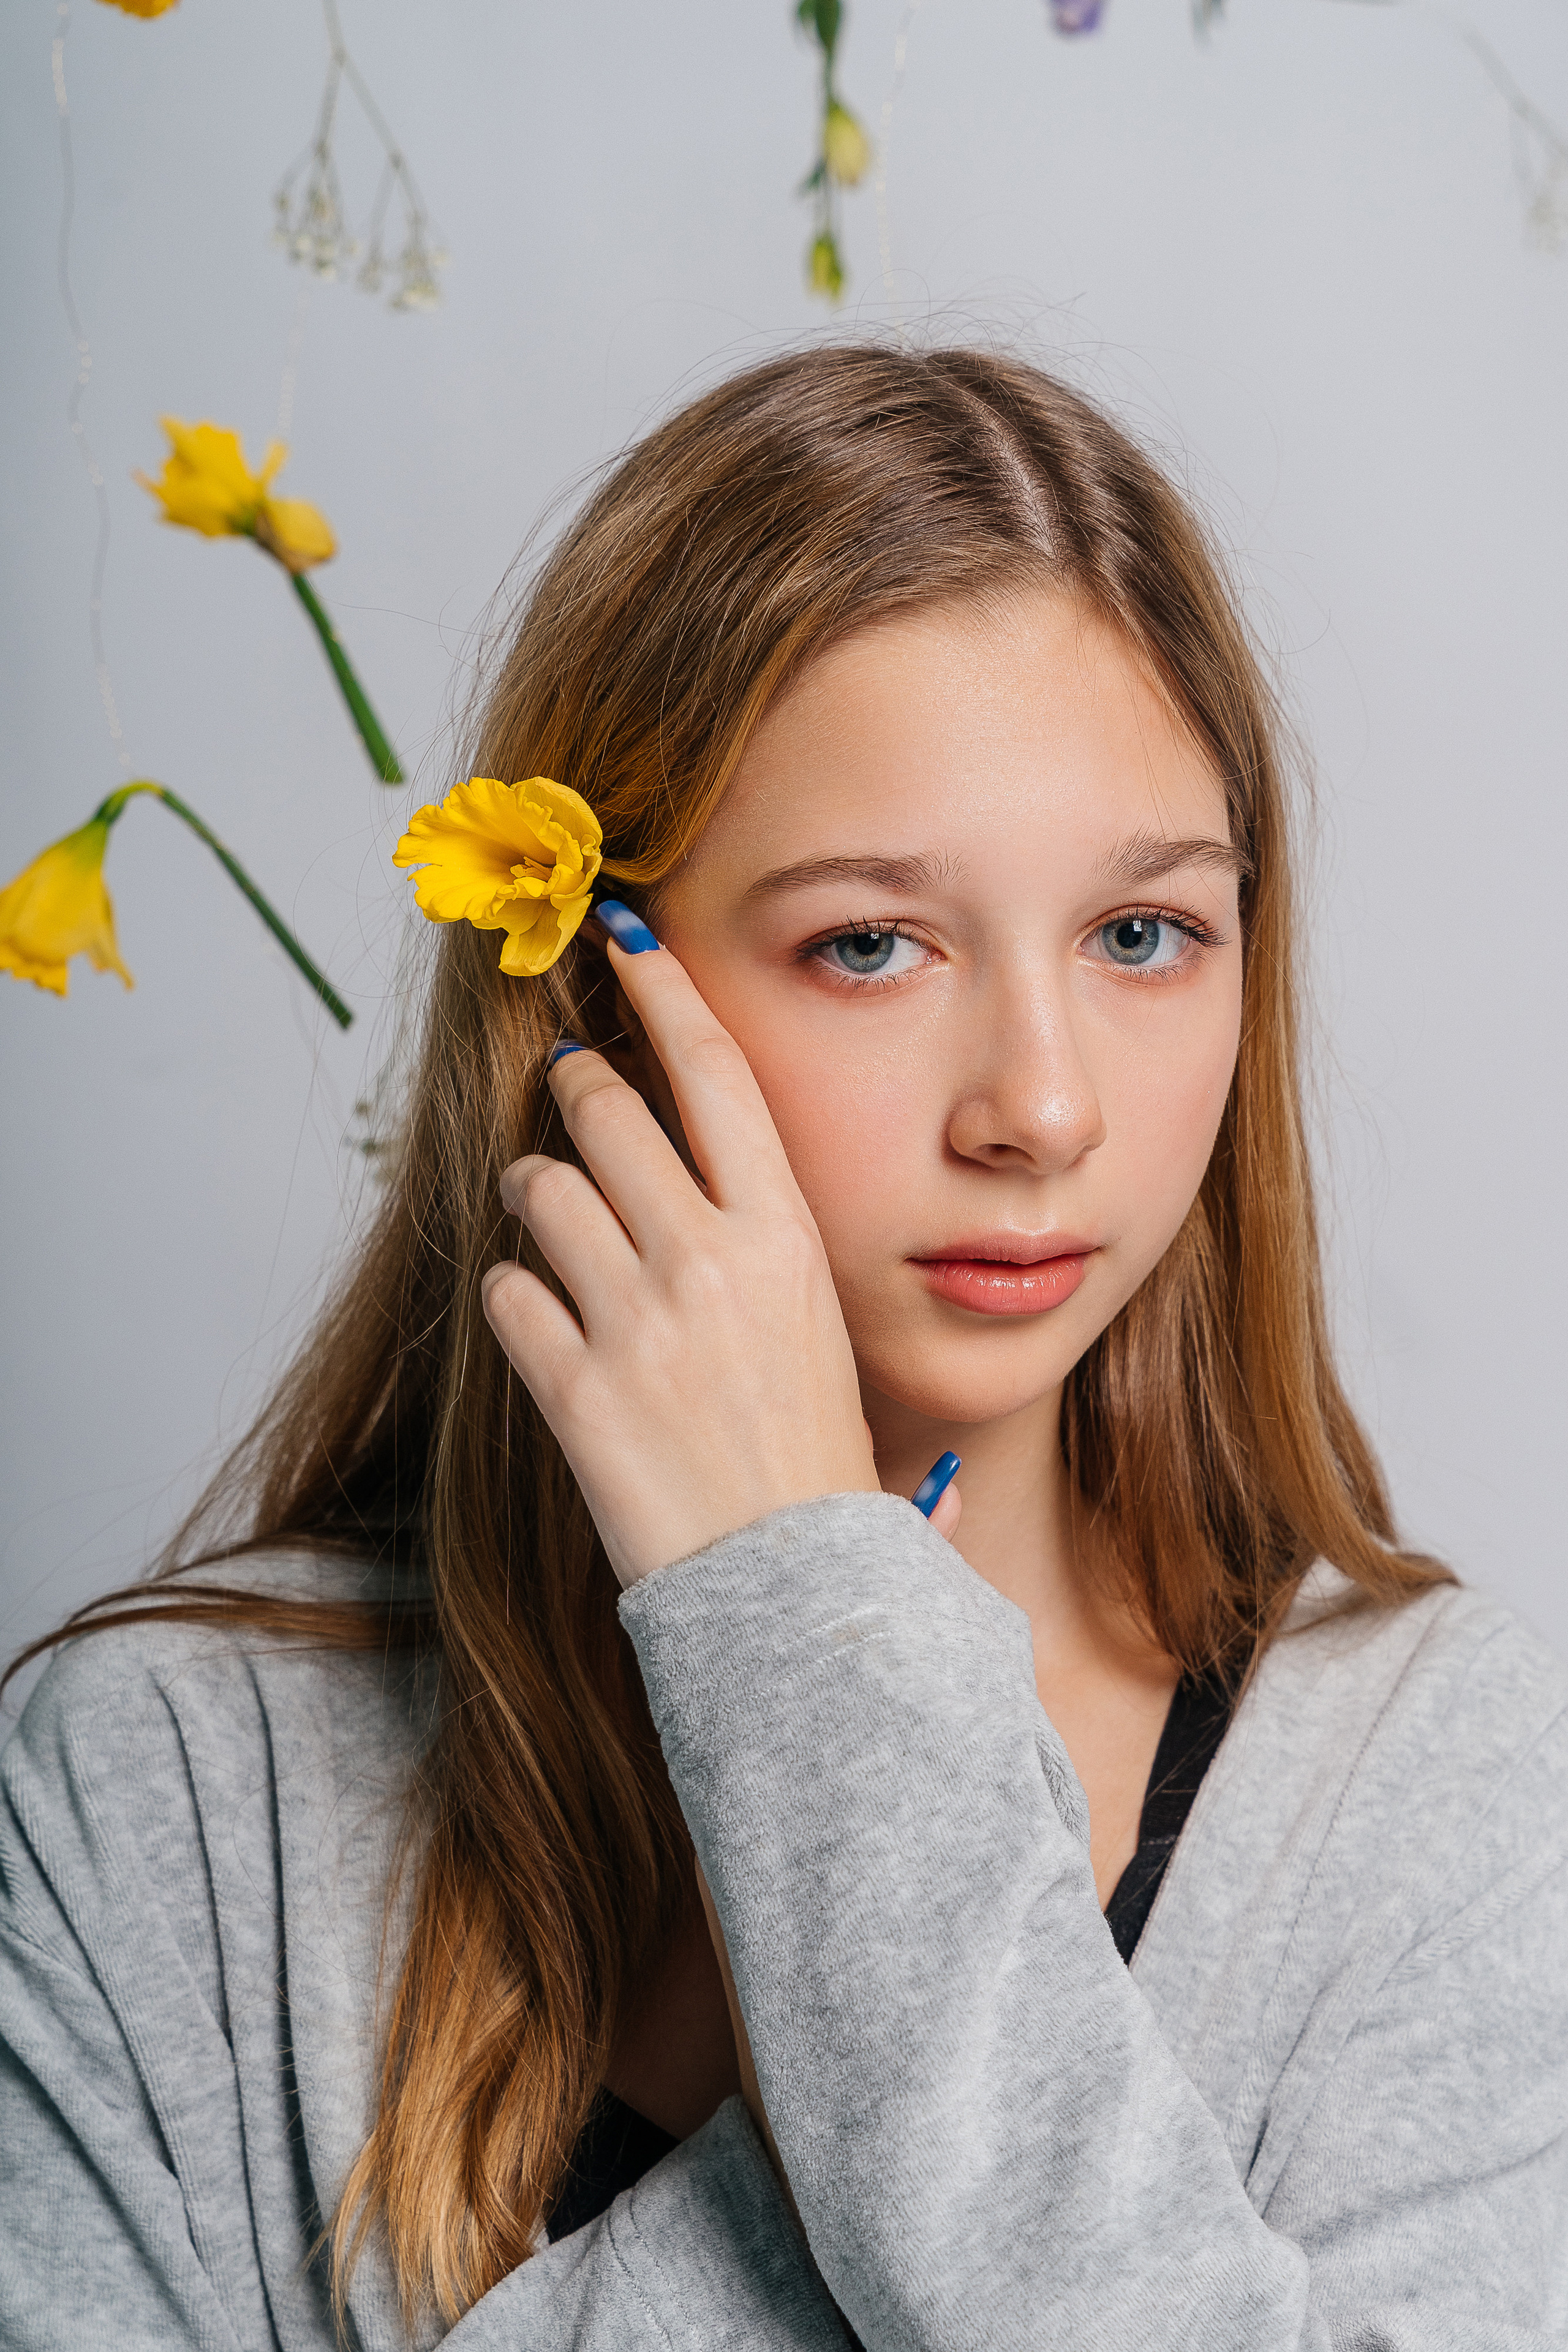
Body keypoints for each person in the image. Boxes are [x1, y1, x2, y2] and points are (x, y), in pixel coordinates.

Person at [2, 345, 1564, 2351]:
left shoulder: (1437, 1784)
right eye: (869, 945)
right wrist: (816, 1654)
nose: (1045, 1107)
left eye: (1142, 934)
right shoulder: (170, 1794)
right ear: (589, 997)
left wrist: (807, 1665)